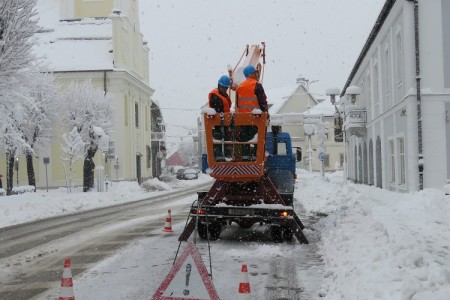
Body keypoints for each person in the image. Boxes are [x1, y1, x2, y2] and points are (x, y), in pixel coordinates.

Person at [235, 65, 269, 160]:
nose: (256, 74)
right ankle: (254, 159)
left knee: (245, 140)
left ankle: (245, 159)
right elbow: (263, 102)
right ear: (251, 74)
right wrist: (266, 114)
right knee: (255, 139)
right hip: (255, 118)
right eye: (255, 72)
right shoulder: (257, 85)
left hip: (243, 119)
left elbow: (237, 104)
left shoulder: (239, 87)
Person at [208, 75, 232, 160]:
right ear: (219, 85)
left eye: (226, 88)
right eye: (223, 87)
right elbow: (217, 109)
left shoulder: (224, 96)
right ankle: (219, 158)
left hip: (225, 122)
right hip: (217, 123)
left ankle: (226, 156)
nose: (225, 89)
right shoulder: (215, 96)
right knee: (218, 140)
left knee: (226, 140)